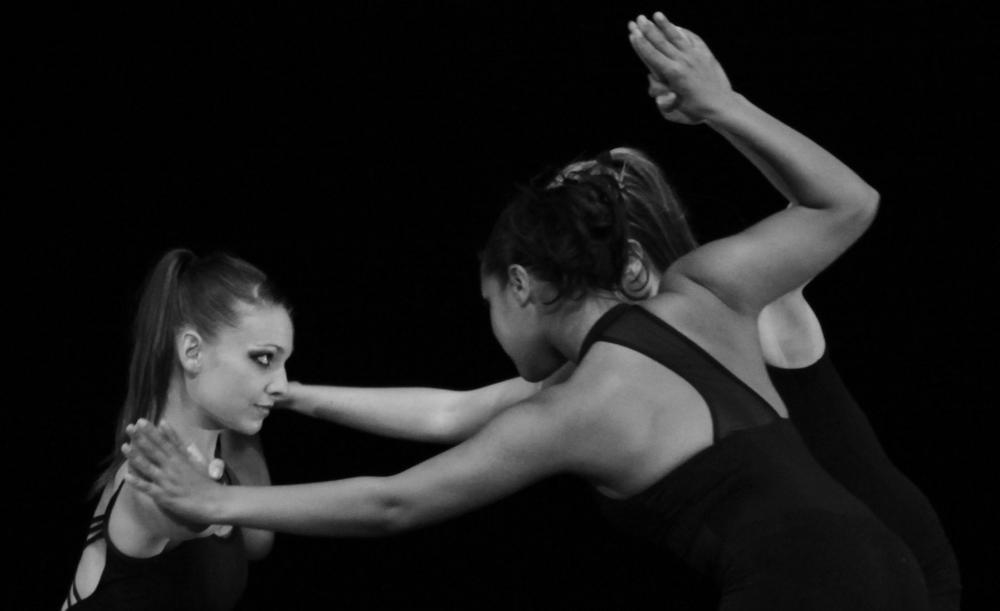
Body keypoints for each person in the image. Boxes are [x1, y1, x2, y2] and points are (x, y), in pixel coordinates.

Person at [124, 13, 930, 609]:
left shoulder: (576, 407)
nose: (493, 329)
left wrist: (215, 501)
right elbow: (848, 202)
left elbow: (393, 502)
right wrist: (722, 104)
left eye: (486, 303)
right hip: (898, 565)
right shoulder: (704, 291)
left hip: (807, 584)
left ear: (520, 284)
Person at [62, 249, 292, 610]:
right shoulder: (148, 477)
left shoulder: (224, 460)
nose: (283, 384)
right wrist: (200, 503)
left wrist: (250, 401)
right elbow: (186, 514)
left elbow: (258, 541)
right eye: (263, 358)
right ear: (192, 352)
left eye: (283, 362)